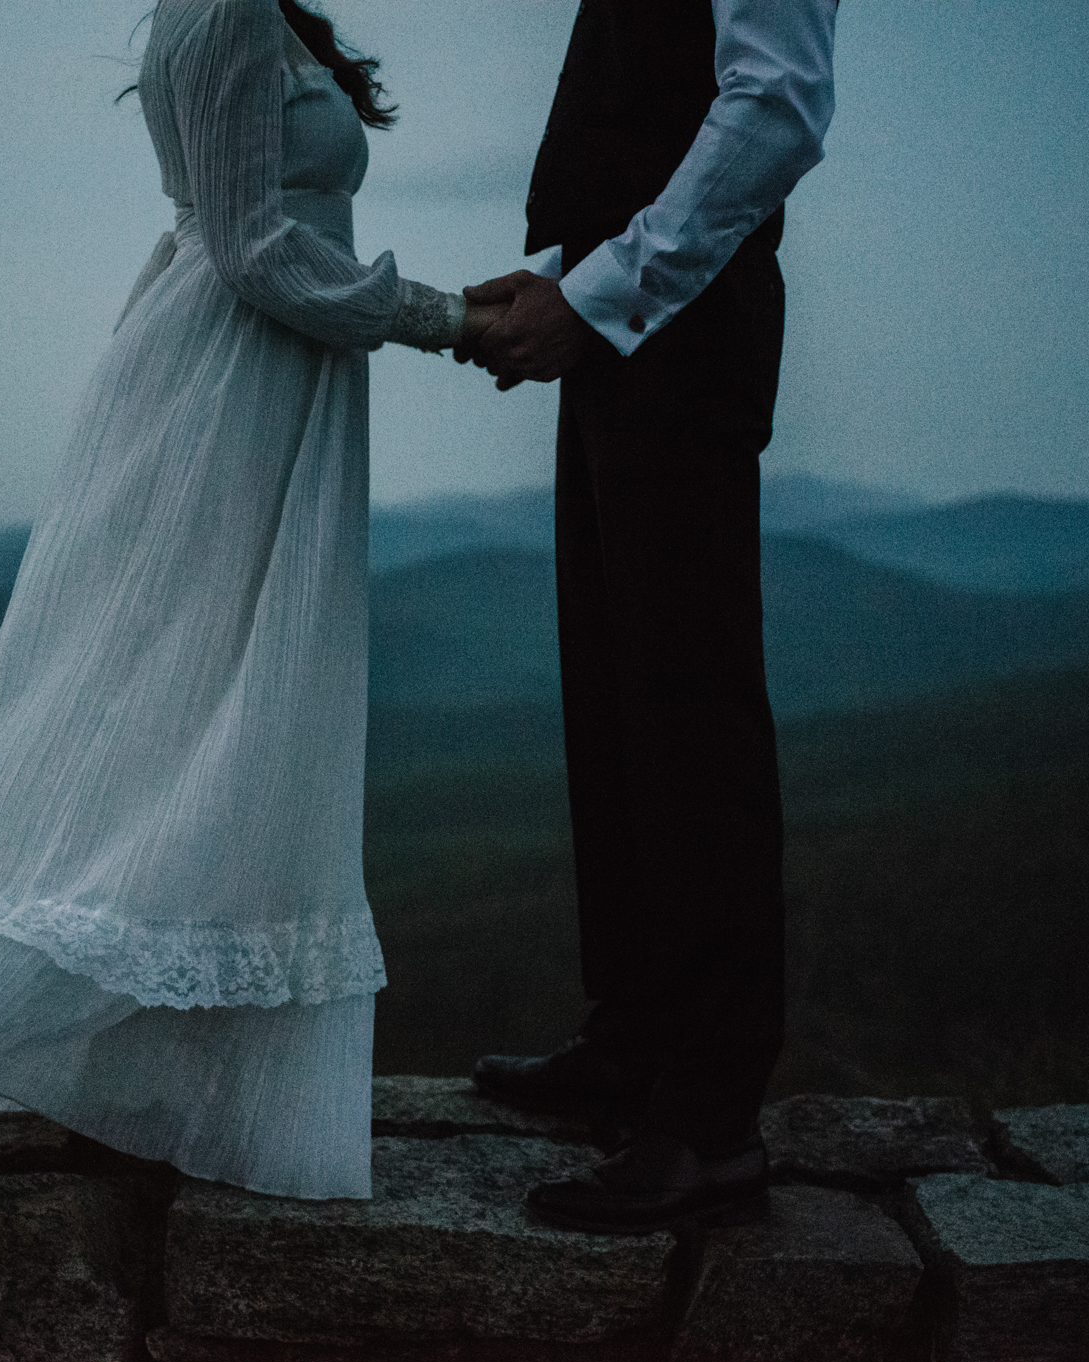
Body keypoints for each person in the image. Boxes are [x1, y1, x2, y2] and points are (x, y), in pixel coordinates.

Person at [0, 0, 489, 1201]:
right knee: (188, 701)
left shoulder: (249, 10)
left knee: (206, 708)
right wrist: (439, 316)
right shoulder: (229, 10)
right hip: (234, 376)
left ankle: (159, 1072)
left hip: (255, 373)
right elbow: (257, 250)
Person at [456, 0, 839, 1234]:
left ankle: (708, 1116)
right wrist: (570, 283)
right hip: (627, 326)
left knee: (687, 706)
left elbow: (772, 105)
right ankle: (635, 1037)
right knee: (616, 694)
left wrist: (606, 290)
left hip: (684, 324)